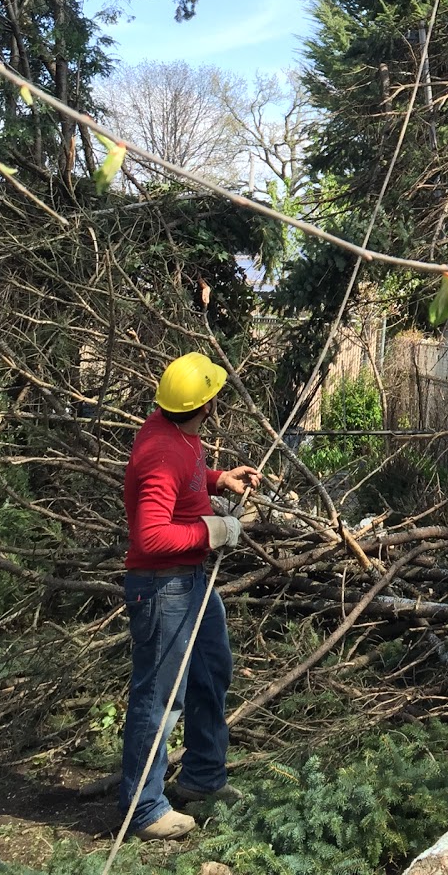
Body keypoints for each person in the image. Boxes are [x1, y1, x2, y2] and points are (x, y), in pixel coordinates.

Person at [118, 352, 261, 840]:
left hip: (191, 582)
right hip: (163, 588)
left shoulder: (175, 430)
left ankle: (202, 778)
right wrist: (214, 530)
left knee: (211, 673)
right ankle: (144, 809)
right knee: (160, 698)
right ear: (206, 406)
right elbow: (150, 537)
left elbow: (189, 472)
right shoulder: (162, 452)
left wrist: (219, 479)